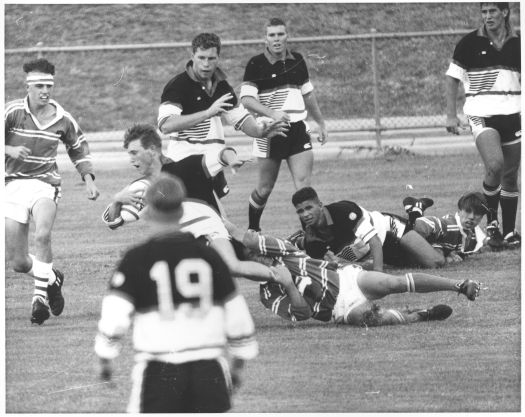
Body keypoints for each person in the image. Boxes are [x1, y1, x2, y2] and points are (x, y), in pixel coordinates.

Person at [95, 174, 258, 412]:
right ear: (182, 211)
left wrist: (105, 358)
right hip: (209, 371)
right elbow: (238, 316)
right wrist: (238, 365)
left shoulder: (136, 259)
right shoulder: (210, 257)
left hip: (158, 370)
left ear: (148, 213)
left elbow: (114, 316)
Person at [102, 123, 280, 283]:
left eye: (134, 152)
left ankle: (286, 277)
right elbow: (114, 222)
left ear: (152, 150)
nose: (131, 159)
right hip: (188, 244)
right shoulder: (142, 188)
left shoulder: (185, 167)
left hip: (214, 232)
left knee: (240, 264)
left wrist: (232, 160)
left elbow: (223, 154)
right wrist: (117, 200)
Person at [226, 223, 481, 327]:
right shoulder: (268, 295)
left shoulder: (283, 252)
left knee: (392, 282)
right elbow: (303, 315)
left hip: (347, 279)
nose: (260, 256)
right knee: (367, 317)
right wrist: (288, 285)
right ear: (246, 266)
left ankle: (459, 285)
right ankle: (418, 315)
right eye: (253, 257)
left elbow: (247, 236)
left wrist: (218, 225)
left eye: (258, 252)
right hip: (339, 310)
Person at [5, 58, 100, 325]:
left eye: (48, 85)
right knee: (18, 262)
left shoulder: (63, 118)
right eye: (39, 86)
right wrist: (9, 149)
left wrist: (89, 179)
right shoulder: (12, 112)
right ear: (28, 86)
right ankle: (52, 277)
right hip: (12, 185)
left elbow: (78, 147)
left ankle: (39, 299)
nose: (44, 91)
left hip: (45, 184)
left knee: (43, 234)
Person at [157, 32, 288, 212]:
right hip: (183, 166)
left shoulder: (222, 86)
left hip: (210, 166)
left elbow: (241, 119)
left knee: (214, 223)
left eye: (211, 58)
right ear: (192, 55)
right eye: (201, 57)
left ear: (218, 57)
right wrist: (208, 112)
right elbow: (166, 125)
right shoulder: (178, 85)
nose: (206, 63)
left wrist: (261, 132)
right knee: (209, 222)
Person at [240, 18, 328, 231]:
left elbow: (308, 95)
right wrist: (272, 113)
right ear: (265, 39)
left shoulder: (297, 59)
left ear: (287, 36)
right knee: (265, 188)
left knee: (303, 187)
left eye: (280, 34)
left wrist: (321, 123)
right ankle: (253, 230)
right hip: (271, 131)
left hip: (298, 130)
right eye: (272, 35)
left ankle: (311, 238)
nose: (276, 39)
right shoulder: (256, 64)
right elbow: (246, 99)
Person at [445, 2, 520, 248]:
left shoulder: (518, 42)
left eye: (492, 11)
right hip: (481, 114)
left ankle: (508, 233)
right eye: (484, 12)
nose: (487, 16)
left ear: (505, 12)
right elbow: (452, 78)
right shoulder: (469, 43)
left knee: (510, 176)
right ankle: (491, 224)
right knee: (495, 164)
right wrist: (451, 115)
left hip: (514, 114)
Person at [289, 187, 489, 270]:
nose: (305, 214)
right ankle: (446, 247)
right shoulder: (312, 239)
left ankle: (415, 211)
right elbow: (326, 267)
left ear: (320, 205)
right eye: (300, 211)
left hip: (390, 229)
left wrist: (377, 272)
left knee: (435, 262)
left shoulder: (344, 211)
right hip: (383, 249)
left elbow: (374, 240)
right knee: (417, 264)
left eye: (309, 208)